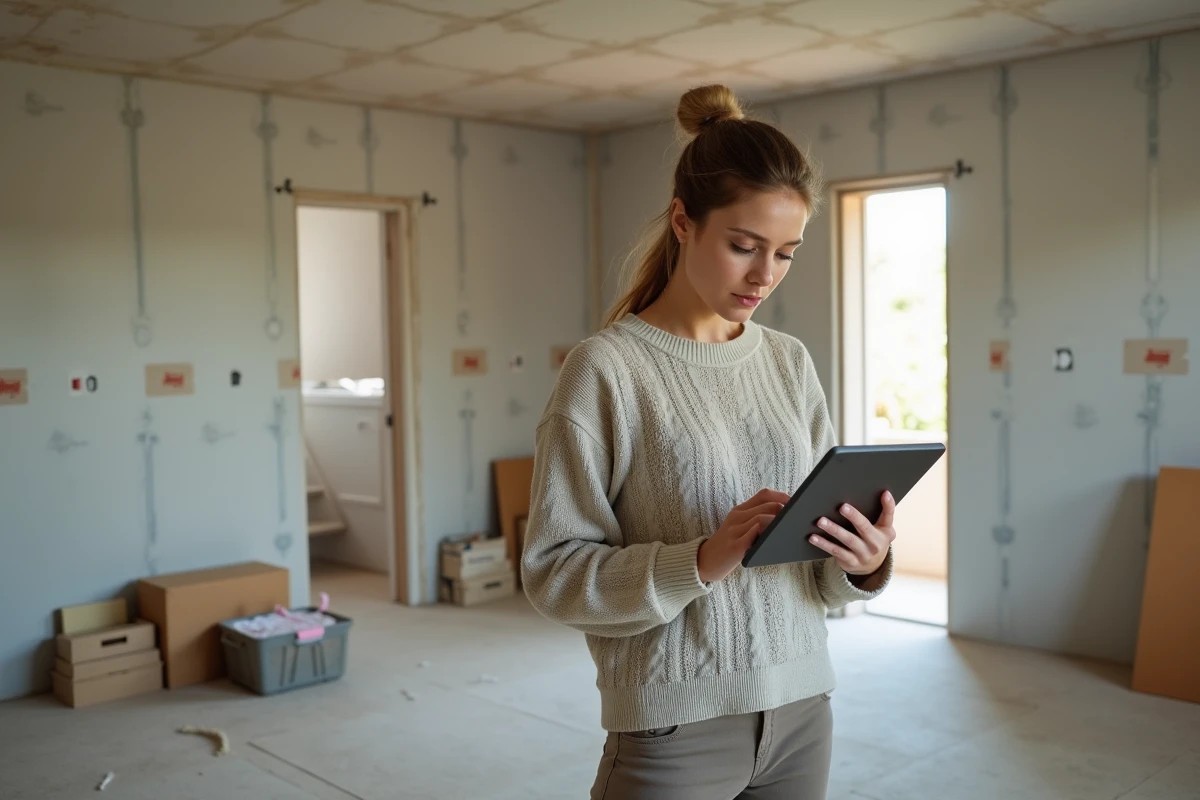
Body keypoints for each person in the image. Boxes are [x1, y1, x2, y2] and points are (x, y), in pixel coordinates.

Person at [520, 84, 897, 800]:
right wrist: (701, 558)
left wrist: (863, 563)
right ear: (683, 222)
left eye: (786, 253)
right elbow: (552, 573)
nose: (765, 275)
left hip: (803, 710)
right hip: (673, 731)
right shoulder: (608, 368)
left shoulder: (788, 362)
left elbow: (816, 573)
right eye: (744, 246)